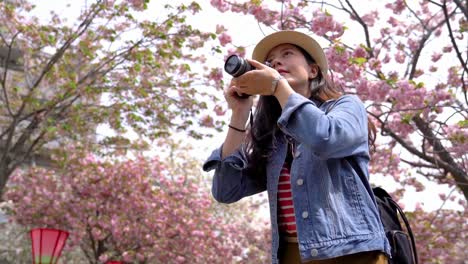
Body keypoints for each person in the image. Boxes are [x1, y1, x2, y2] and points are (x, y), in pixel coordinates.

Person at [202, 30, 391, 264]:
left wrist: (278, 85)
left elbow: (325, 138)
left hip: (352, 251)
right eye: (270, 61)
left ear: (313, 71)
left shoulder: (346, 106)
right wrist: (239, 114)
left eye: (287, 53)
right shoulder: (275, 136)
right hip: (293, 255)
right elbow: (226, 190)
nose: (276, 62)